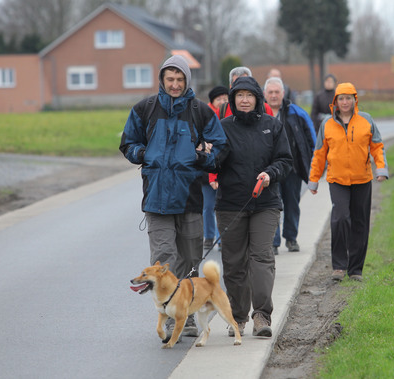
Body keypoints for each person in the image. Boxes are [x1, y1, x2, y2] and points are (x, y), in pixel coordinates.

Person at [119, 55, 229, 342]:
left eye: (180, 80)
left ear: (187, 81)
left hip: (190, 197)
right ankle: (169, 318)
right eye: (170, 79)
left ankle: (188, 314)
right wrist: (143, 154)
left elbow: (221, 147)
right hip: (156, 200)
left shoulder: (200, 112)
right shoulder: (145, 109)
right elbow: (128, 143)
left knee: (190, 259)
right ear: (162, 80)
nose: (175, 84)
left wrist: (202, 158)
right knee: (164, 261)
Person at [215, 76, 292, 338]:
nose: (244, 100)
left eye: (249, 95)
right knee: (234, 263)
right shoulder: (222, 127)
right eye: (239, 95)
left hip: (265, 203)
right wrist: (207, 154)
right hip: (230, 205)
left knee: (261, 258)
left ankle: (261, 315)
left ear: (258, 98)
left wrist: (271, 173)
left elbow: (285, 160)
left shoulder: (272, 125)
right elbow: (212, 163)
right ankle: (237, 317)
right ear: (233, 99)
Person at [308, 82, 388, 282]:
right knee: (340, 218)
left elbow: (377, 147)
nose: (345, 102)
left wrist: (381, 168)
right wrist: (314, 179)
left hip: (362, 178)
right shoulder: (327, 124)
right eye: (341, 99)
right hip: (337, 179)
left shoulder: (366, 120)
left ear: (355, 100)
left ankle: (355, 269)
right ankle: (339, 266)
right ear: (335, 101)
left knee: (360, 222)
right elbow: (319, 154)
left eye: (348, 98)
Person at [263, 77, 316, 255]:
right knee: (273, 205)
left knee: (292, 203)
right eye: (270, 92)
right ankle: (274, 242)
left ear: (283, 93)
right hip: (269, 170)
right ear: (265, 94)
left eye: (277, 92)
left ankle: (291, 238)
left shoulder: (296, 112)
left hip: (291, 168)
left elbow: (311, 139)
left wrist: (314, 164)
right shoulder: (260, 113)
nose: (273, 95)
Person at [202, 86, 229, 249]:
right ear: (212, 101)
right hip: (206, 170)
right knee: (208, 206)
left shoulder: (229, 116)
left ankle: (221, 238)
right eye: (219, 99)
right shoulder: (205, 116)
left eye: (225, 98)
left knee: (221, 206)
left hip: (223, 169)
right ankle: (209, 235)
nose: (222, 101)